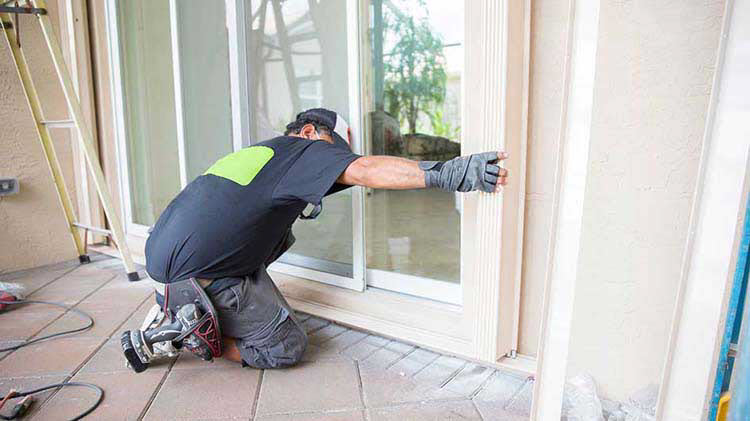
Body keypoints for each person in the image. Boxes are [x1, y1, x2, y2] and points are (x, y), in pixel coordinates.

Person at [144, 108, 508, 369]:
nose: (334, 160)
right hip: (200, 277)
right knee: (284, 346)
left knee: (272, 239)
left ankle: (178, 310)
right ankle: (190, 334)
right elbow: (364, 169)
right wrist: (452, 173)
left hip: (163, 271)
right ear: (307, 133)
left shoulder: (264, 155)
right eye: (332, 148)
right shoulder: (304, 151)